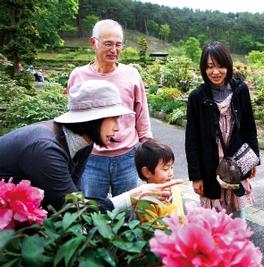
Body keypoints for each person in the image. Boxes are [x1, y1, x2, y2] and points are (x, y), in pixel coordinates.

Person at [0, 80, 180, 212]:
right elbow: (73, 208)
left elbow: (74, 194)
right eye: (113, 118)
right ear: (93, 119)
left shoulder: (84, 142)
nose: (118, 127)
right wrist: (133, 196)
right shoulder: (44, 150)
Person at [67, 19, 152, 199]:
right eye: (108, 44)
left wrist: (148, 146)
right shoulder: (78, 75)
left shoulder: (131, 74)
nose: (114, 50)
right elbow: (73, 117)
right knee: (94, 212)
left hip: (127, 157)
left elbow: (141, 111)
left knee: (129, 211)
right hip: (91, 158)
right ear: (93, 43)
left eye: (118, 45)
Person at [185, 41, 259, 218]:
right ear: (204, 68)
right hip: (210, 165)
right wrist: (196, 177)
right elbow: (192, 140)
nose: (215, 72)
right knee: (214, 222)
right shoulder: (197, 97)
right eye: (210, 67)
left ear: (228, 66)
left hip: (237, 162)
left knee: (238, 216)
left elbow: (249, 126)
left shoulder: (240, 90)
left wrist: (254, 159)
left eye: (220, 66)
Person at [134, 139, 184, 223]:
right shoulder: (146, 201)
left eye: (172, 167)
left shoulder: (174, 189)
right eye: (165, 169)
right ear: (147, 172)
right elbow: (153, 230)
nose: (171, 173)